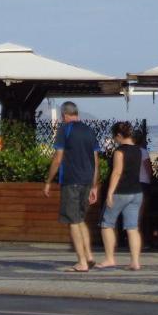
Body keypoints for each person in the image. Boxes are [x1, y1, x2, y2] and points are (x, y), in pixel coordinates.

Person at [45, 101, 100, 272]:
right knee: (80, 219)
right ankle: (89, 256)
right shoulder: (89, 131)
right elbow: (96, 161)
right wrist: (94, 185)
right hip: (86, 181)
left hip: (71, 181)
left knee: (73, 222)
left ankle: (82, 262)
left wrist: (48, 181)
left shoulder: (65, 130)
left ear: (64, 115)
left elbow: (58, 158)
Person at [98, 122, 145, 270]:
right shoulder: (139, 150)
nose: (115, 140)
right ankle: (135, 262)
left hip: (120, 192)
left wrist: (110, 192)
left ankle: (110, 258)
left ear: (119, 135)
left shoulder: (119, 152)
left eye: (115, 137)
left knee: (106, 224)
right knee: (132, 227)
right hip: (136, 192)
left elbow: (117, 172)